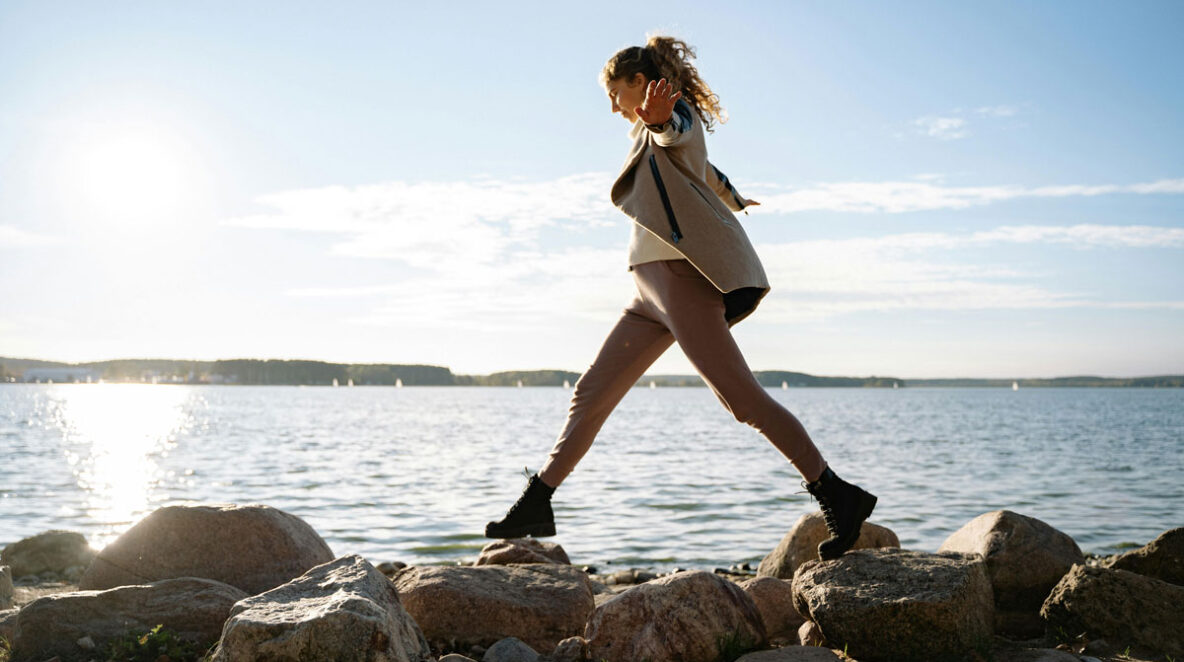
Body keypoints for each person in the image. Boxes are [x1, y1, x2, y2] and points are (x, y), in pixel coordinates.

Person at [485, 35, 876, 561]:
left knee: (742, 400)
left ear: (641, 85)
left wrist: (659, 120)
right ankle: (539, 501)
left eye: (614, 91)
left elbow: (677, 135)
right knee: (590, 393)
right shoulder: (642, 134)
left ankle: (836, 493)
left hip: (682, 280)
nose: (611, 103)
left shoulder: (671, 117)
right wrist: (732, 195)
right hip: (648, 291)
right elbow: (703, 172)